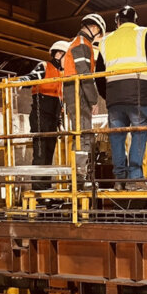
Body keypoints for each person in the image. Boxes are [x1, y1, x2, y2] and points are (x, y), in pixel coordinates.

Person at [95, 5, 147, 191]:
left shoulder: (105, 41)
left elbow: (98, 74)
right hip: (138, 92)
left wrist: (107, 95)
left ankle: (119, 179)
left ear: (117, 22)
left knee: (117, 138)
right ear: (135, 20)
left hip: (114, 96)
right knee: (139, 133)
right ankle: (135, 178)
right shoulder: (143, 33)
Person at [13, 40, 69, 189]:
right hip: (40, 116)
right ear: (58, 54)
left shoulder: (62, 74)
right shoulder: (44, 66)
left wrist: (60, 122)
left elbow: (60, 101)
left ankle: (46, 187)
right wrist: (21, 81)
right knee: (40, 154)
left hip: (52, 118)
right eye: (67, 57)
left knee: (49, 152)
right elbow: (32, 77)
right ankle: (38, 189)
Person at [63, 13, 106, 183]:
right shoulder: (82, 44)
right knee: (83, 135)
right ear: (94, 28)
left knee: (82, 135)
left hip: (75, 92)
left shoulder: (80, 43)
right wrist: (93, 99)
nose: (97, 38)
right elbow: (85, 74)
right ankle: (80, 178)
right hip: (78, 92)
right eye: (98, 34)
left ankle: (80, 176)